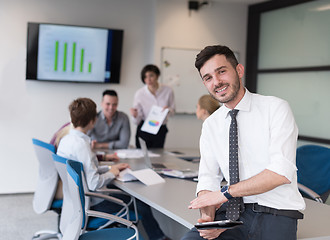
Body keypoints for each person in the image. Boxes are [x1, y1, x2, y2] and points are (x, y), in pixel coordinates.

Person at [182, 45, 305, 240]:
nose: (217, 82)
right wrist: (207, 217)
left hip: (276, 211)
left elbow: (281, 172)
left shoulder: (275, 108)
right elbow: (208, 179)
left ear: (239, 70)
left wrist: (225, 193)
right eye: (208, 78)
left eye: (221, 71)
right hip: (231, 215)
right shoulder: (211, 125)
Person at [57, 98, 168, 240]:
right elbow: (94, 183)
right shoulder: (82, 146)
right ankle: (157, 237)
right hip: (92, 203)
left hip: (74, 204)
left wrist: (110, 168)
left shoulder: (66, 140)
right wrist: (112, 173)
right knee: (137, 201)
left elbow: (85, 169)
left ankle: (153, 235)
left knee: (133, 202)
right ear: (93, 121)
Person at [130, 64, 175, 148]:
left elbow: (173, 112)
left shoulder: (168, 90)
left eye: (151, 75)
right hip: (144, 128)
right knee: (142, 157)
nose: (148, 79)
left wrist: (168, 110)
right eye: (145, 77)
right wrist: (134, 115)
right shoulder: (139, 93)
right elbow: (136, 121)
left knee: (158, 157)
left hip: (160, 128)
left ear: (157, 76)